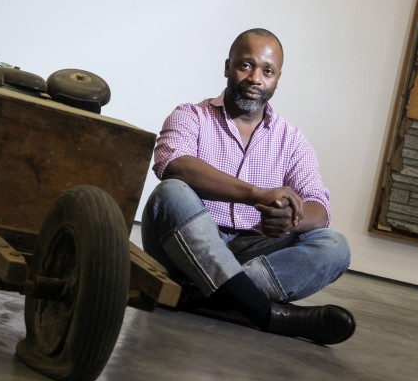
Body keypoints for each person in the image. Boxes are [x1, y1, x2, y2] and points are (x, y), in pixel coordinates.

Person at [141, 28, 355, 345]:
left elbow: (319, 209)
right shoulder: (190, 116)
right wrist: (256, 194)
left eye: (267, 71)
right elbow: (173, 164)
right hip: (186, 244)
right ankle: (266, 314)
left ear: (277, 78)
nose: (255, 78)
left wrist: (292, 218)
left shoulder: (292, 140)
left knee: (335, 246)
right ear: (228, 67)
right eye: (246, 65)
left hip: (252, 250)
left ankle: (201, 296)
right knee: (171, 193)